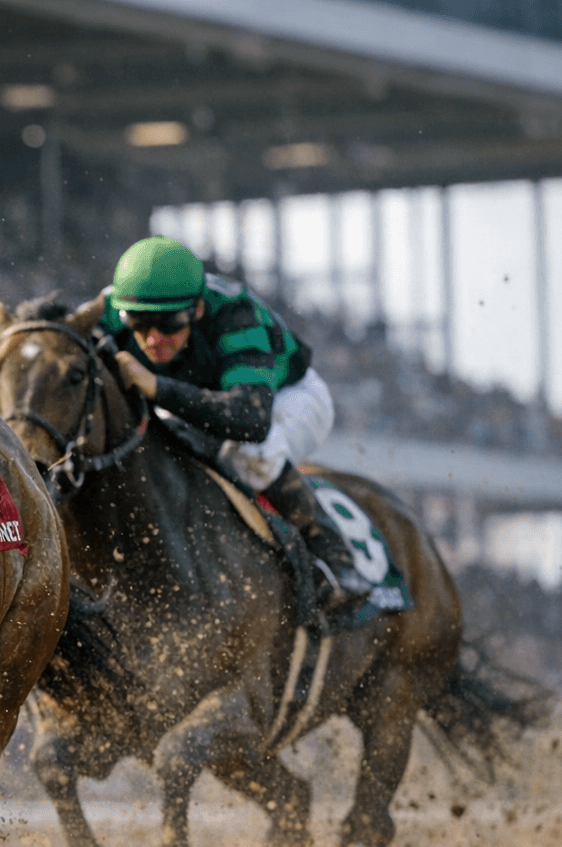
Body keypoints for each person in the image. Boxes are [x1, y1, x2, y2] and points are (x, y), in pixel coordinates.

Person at [98, 236, 371, 611]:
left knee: (250, 453)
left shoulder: (235, 315)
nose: (153, 338)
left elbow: (250, 420)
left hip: (288, 399)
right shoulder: (108, 310)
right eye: (140, 324)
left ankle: (336, 559)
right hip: (199, 402)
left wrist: (157, 387)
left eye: (168, 323)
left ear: (195, 310)